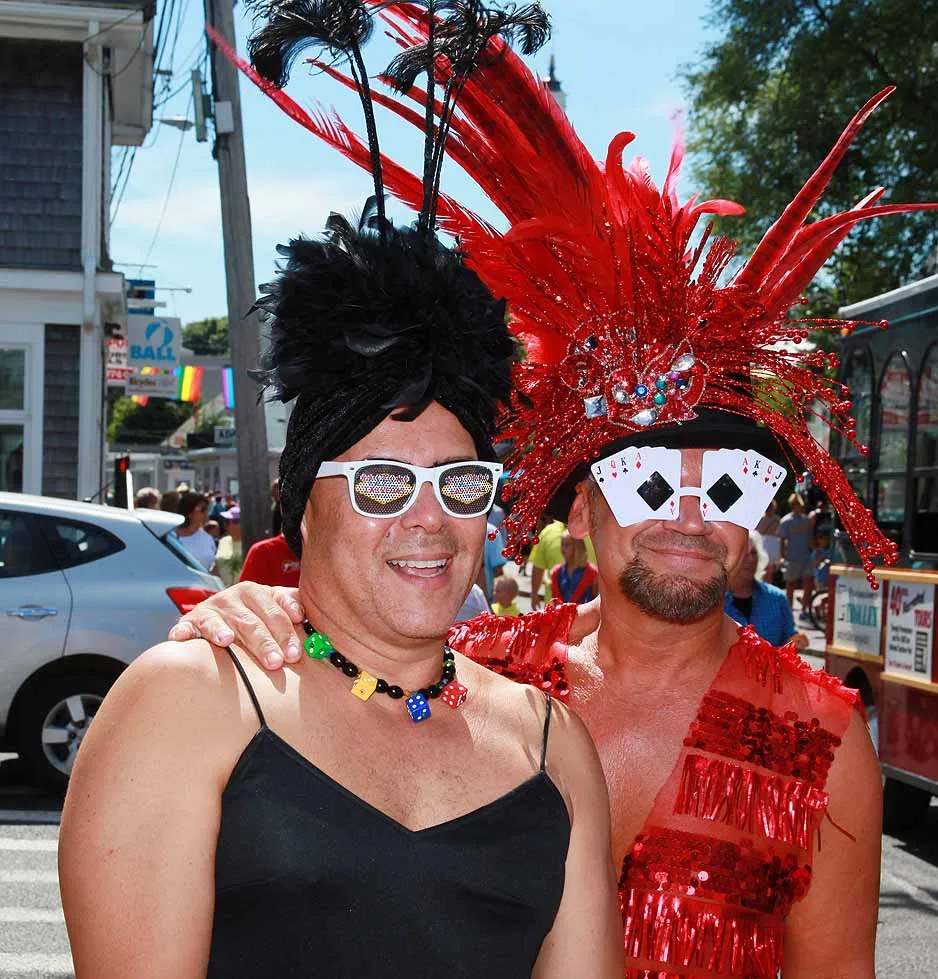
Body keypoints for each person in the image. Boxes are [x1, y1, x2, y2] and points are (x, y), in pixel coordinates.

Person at [167, 17, 938, 977]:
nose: (689, 518)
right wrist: (264, 614)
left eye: (729, 487)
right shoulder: (475, 672)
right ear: (579, 510)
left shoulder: (821, 738)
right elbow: (337, 659)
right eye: (648, 480)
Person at [60, 7, 621, 978]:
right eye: (380, 482)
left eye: (461, 482)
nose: (429, 518)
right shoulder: (191, 703)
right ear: (301, 501)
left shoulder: (549, 743)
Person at [725, 532, 809, 651]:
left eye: (754, 553)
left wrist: (797, 641)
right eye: (744, 554)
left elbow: (789, 636)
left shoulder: (777, 598)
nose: (751, 559)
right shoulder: (716, 602)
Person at [779, 493, 814, 618]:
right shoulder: (785, 521)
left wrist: (816, 551)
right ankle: (789, 611)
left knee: (808, 582)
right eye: (795, 504)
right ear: (792, 506)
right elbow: (782, 541)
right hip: (791, 557)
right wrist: (782, 556)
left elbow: (810, 539)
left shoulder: (806, 520)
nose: (797, 507)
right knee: (791, 584)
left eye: (799, 504)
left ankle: (804, 609)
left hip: (805, 556)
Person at [174, 490, 217, 572]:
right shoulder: (171, 537)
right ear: (189, 512)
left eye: (207, 509)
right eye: (202, 509)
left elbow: (214, 568)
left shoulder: (208, 538)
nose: (206, 513)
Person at [550, 531, 598, 605]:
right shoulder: (556, 572)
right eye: (562, 544)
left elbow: (595, 601)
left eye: (567, 545)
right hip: (560, 612)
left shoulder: (592, 572)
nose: (563, 548)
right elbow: (555, 600)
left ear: (577, 546)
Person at [214, 505, 244, 587]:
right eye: (227, 521)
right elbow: (217, 566)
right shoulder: (223, 541)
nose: (228, 524)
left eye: (235, 521)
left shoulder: (250, 543)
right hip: (221, 590)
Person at [756, 500, 781, 583]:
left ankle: (767, 586)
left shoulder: (776, 519)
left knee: (770, 569)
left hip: (772, 545)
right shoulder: (760, 518)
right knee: (762, 568)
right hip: (762, 544)